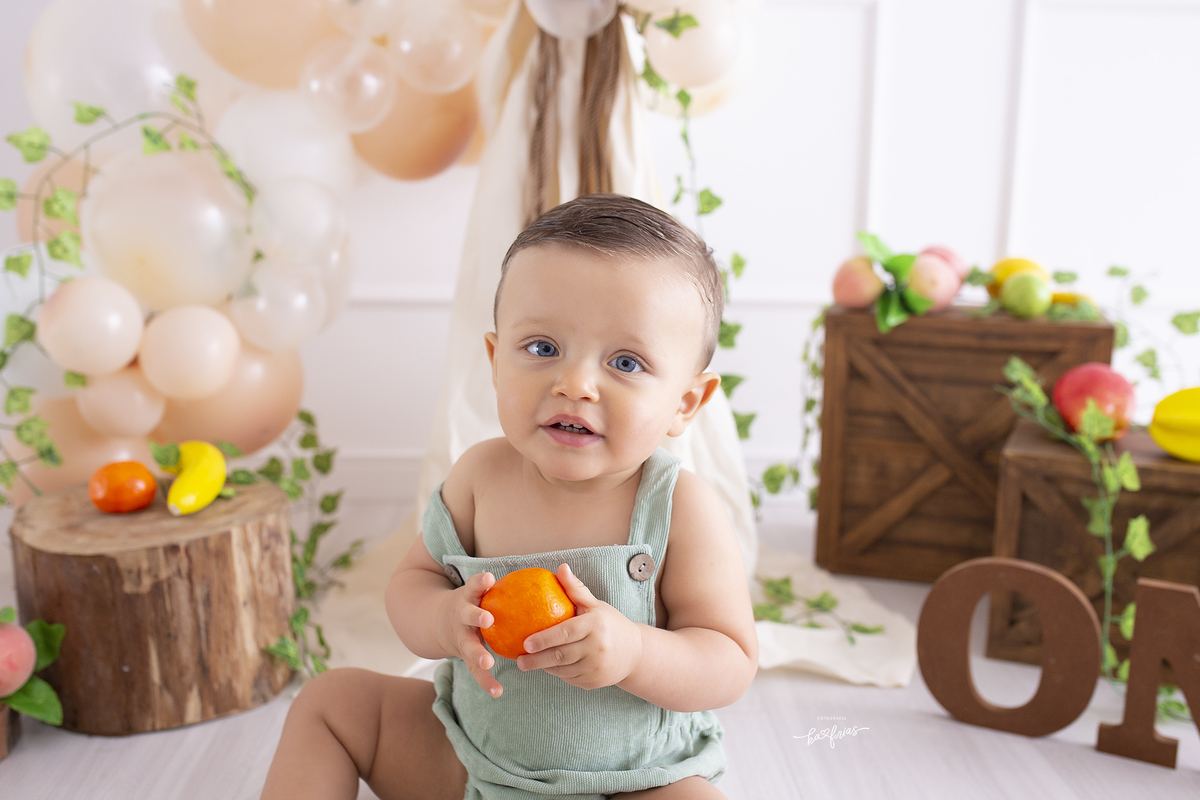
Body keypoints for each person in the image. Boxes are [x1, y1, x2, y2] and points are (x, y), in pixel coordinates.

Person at [261, 194, 759, 800]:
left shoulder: (680, 507)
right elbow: (412, 582)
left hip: (634, 778)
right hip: (473, 761)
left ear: (685, 403)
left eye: (626, 362)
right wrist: (442, 618)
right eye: (543, 348)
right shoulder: (480, 477)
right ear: (496, 362)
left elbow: (729, 659)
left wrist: (635, 653)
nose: (575, 384)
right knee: (332, 701)